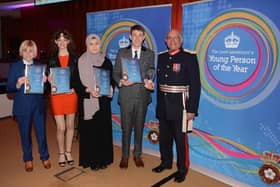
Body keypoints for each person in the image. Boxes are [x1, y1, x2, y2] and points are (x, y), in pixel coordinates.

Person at [152, 29, 201, 183]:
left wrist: (192, 109)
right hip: (164, 105)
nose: (172, 41)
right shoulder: (160, 57)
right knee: (165, 138)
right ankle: (166, 162)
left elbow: (195, 85)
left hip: (181, 105)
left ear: (181, 40)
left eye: (176, 38)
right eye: (169, 38)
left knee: (180, 140)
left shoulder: (189, 57)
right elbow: (160, 83)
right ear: (165, 41)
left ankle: (182, 169)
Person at [113, 24, 155, 169]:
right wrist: (121, 81)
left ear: (143, 37)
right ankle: (125, 156)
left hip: (142, 96)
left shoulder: (149, 53)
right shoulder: (121, 52)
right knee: (126, 128)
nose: (137, 38)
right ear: (130, 37)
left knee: (138, 127)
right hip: (126, 96)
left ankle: (137, 155)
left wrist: (149, 79)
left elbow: (151, 70)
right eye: (134, 35)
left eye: (140, 35)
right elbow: (115, 72)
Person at [6, 40, 51, 172]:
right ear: (21, 52)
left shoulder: (39, 66)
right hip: (22, 107)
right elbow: (9, 88)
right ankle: (28, 159)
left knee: (41, 134)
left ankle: (45, 156)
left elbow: (45, 89)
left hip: (38, 106)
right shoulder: (15, 67)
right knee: (25, 135)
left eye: (31, 50)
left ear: (35, 53)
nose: (28, 53)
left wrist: (45, 82)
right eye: (25, 50)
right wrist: (18, 83)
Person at [72, 34, 114, 170]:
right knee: (90, 131)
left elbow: (111, 79)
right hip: (87, 101)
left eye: (96, 43)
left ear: (100, 45)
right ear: (87, 45)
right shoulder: (80, 61)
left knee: (102, 131)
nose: (94, 46)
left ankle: (103, 159)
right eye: (91, 43)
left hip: (102, 102)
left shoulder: (106, 61)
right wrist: (88, 90)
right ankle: (91, 160)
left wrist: (111, 87)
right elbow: (75, 82)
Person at [47, 30, 78, 167]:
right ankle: (61, 153)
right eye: (59, 40)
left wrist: (75, 88)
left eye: (64, 39)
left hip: (71, 95)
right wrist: (49, 80)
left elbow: (78, 78)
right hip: (57, 96)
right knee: (61, 127)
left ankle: (68, 151)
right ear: (55, 42)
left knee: (70, 125)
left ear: (69, 41)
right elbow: (50, 78)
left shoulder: (75, 58)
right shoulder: (51, 59)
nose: (62, 42)